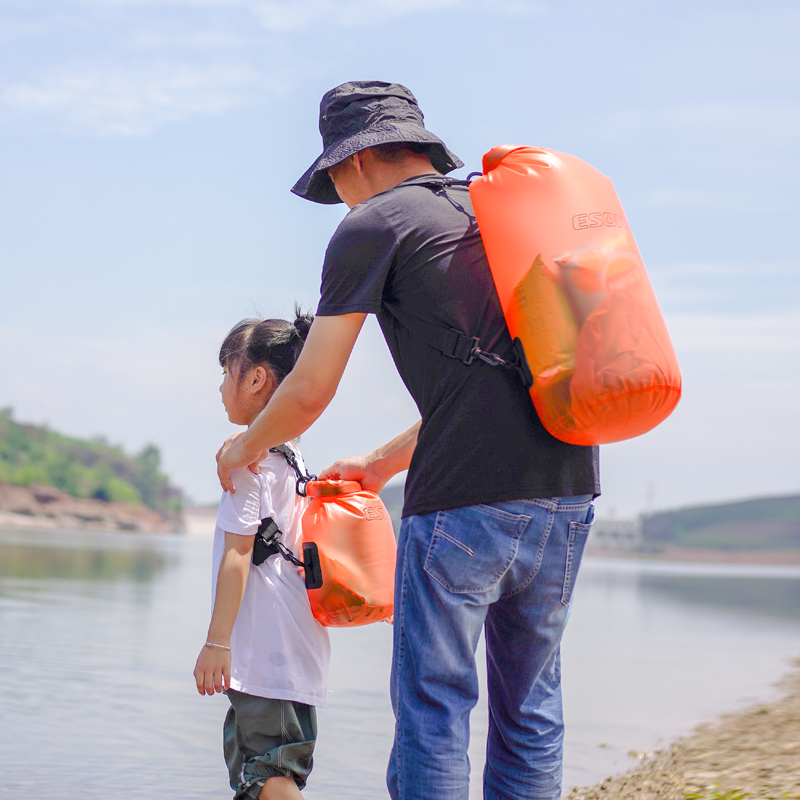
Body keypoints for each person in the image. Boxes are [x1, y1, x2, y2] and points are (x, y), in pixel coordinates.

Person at [216, 82, 601, 800]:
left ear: (353, 160)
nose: (339, 195)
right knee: (531, 707)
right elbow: (502, 381)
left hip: (463, 505)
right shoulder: (498, 216)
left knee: (435, 710)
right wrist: (380, 463)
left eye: (333, 178)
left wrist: (241, 449)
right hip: (568, 490)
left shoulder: (375, 225)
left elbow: (308, 389)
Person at [195, 310, 330, 800]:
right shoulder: (291, 458)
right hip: (297, 650)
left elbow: (237, 556)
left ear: (255, 378)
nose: (220, 387)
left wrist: (217, 643)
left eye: (226, 372)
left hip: (265, 654)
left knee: (267, 774)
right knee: (272, 771)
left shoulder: (248, 466)